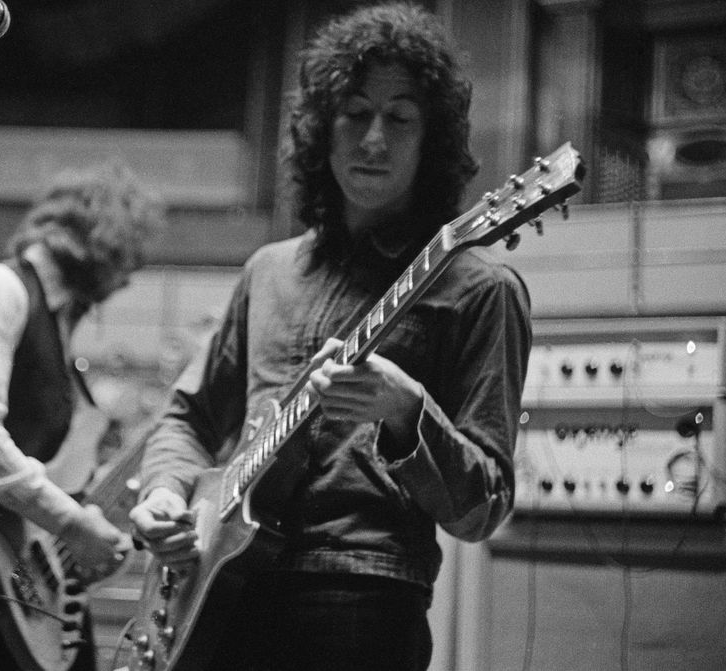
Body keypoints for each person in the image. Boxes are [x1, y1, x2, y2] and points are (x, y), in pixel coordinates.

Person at [128, 4, 532, 670]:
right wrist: (165, 492)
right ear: (321, 127)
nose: (374, 139)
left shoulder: (479, 287)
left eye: (400, 117)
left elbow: (482, 508)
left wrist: (406, 413)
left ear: (432, 139)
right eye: (354, 111)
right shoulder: (268, 270)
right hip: (216, 586)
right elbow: (189, 415)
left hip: (362, 597)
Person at [0, 162, 166, 670]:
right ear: (102, 241)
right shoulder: (0, 291)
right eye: (128, 262)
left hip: (31, 579)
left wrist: (81, 539)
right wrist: (74, 523)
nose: (125, 282)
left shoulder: (54, 321)